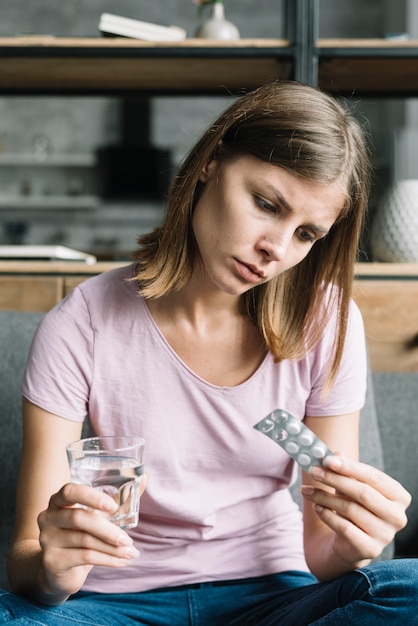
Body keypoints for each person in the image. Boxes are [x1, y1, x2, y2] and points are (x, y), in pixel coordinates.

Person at [1, 80, 417, 625]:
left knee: (406, 586)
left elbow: (322, 557)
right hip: (115, 606)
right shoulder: (83, 322)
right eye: (267, 204)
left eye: (307, 234)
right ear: (211, 163)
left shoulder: (328, 321)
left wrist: (358, 545)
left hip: (272, 597)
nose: (277, 249)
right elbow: (26, 561)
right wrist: (55, 570)